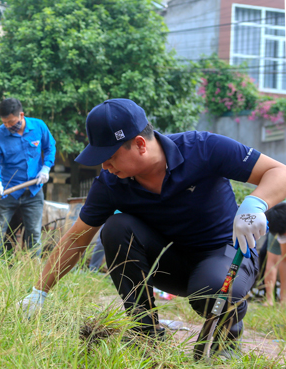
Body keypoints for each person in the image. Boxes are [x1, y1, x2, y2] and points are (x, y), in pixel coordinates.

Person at [19, 98, 286, 358]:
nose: (104, 166)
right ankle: (145, 334)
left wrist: (255, 203)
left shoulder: (203, 148)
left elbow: (278, 172)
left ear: (139, 144)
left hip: (223, 257)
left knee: (215, 290)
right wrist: (39, 292)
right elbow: (76, 237)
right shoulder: (110, 183)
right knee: (115, 227)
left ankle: (222, 345)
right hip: (169, 263)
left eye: (109, 156)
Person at [0, 98, 56, 257]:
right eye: (4, 122)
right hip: (8, 191)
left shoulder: (38, 127)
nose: (8, 126)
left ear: (21, 115)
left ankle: (34, 269)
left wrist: (46, 168)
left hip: (33, 191)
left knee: (34, 234)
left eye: (11, 122)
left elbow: (50, 147)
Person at [263, 203, 286, 306]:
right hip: (281, 222)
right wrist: (283, 299)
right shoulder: (279, 224)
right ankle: (270, 300)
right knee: (273, 259)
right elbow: (283, 261)